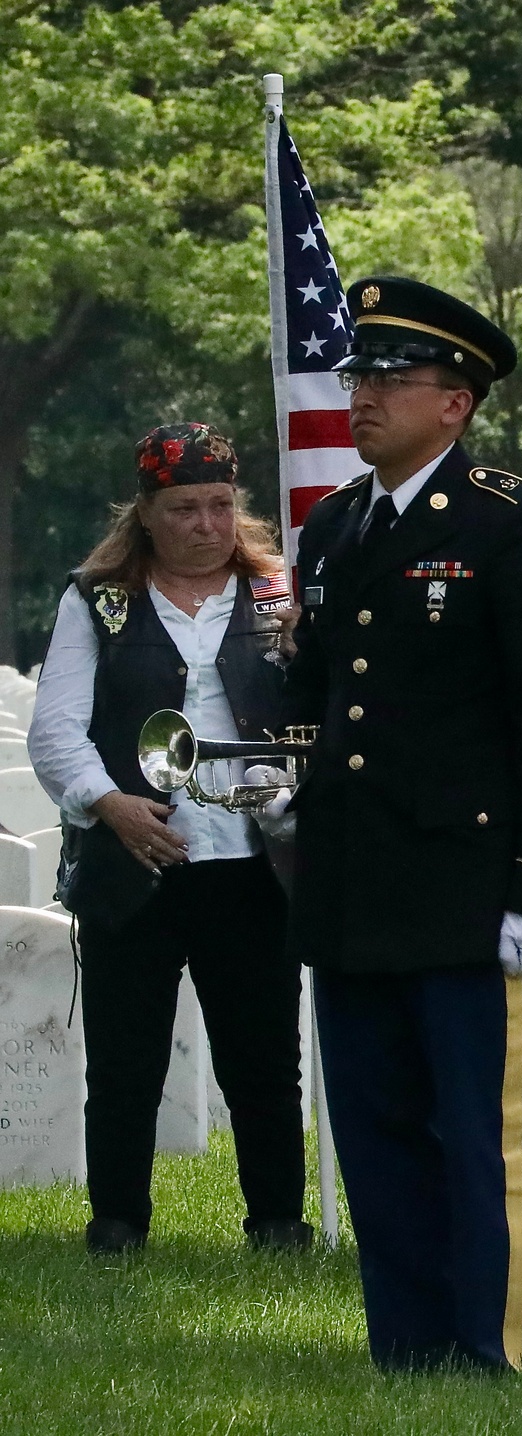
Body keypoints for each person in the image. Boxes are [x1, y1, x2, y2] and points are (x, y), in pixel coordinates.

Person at [277, 276, 522, 1371]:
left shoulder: (511, 522)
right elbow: (317, 687)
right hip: (352, 877)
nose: (361, 395)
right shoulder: (330, 525)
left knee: (481, 1134)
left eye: (387, 377)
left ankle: (496, 1346)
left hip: (470, 883)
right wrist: (282, 775)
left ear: (454, 402)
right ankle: (407, 1346)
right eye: (357, 374)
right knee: (374, 1129)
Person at [27, 423, 312, 1256]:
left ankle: (277, 1221)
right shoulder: (99, 600)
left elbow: (315, 715)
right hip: (135, 861)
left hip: (251, 863)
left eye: (221, 505)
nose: (206, 524)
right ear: (146, 513)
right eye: (184, 508)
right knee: (125, 1057)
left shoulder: (275, 595)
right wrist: (106, 801)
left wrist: (290, 792)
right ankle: (117, 1222)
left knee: (263, 1057)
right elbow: (56, 730)